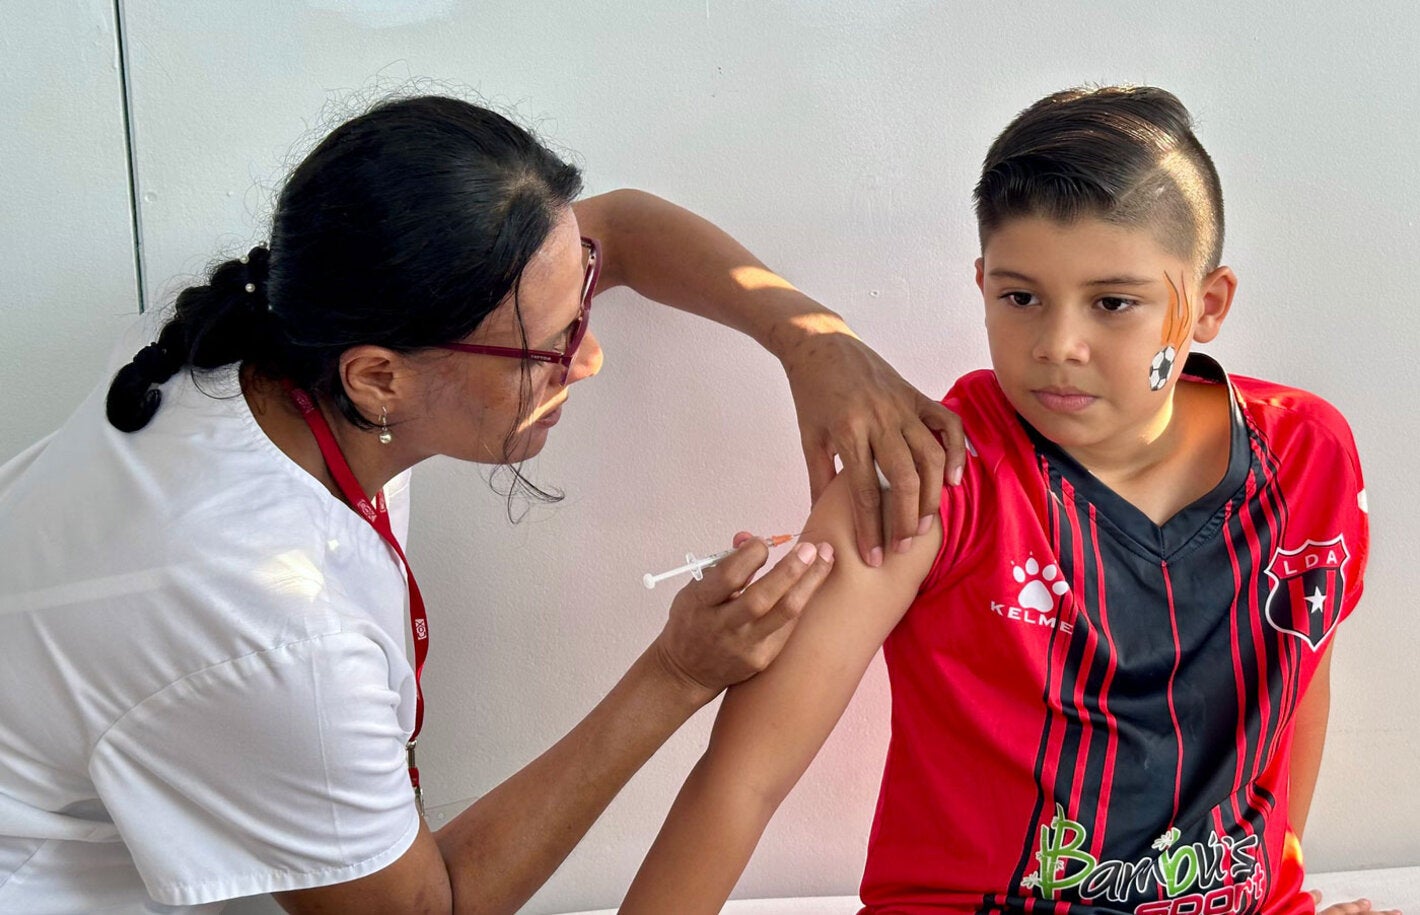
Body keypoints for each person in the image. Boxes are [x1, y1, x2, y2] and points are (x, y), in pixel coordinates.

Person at [0, 95, 968, 914]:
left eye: (579, 298)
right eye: (550, 346)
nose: (589, 356)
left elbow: (620, 227)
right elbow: (426, 908)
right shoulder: (266, 616)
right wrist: (675, 673)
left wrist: (809, 340)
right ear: (381, 380)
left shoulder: (273, 345)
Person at [623, 87, 1396, 915]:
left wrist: (1282, 891)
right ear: (982, 280)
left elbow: (1298, 673)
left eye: (1113, 303)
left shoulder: (1307, 453)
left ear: (1205, 305)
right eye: (1021, 297)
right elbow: (744, 780)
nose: (1058, 345)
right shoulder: (926, 477)